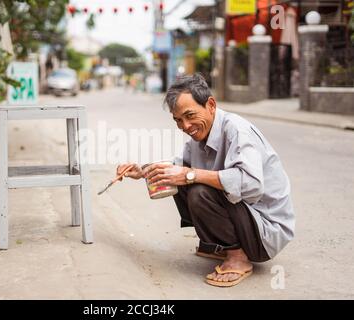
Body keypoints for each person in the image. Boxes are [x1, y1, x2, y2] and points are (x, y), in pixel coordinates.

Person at [117, 73, 295, 287]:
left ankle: (238, 256)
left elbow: (251, 185)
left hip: (266, 232)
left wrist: (191, 175)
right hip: (246, 217)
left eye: (190, 115)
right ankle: (218, 244)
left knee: (197, 188)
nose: (185, 125)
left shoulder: (237, 130)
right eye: (178, 120)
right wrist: (143, 170)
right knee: (179, 176)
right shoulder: (201, 134)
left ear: (210, 104)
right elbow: (180, 165)